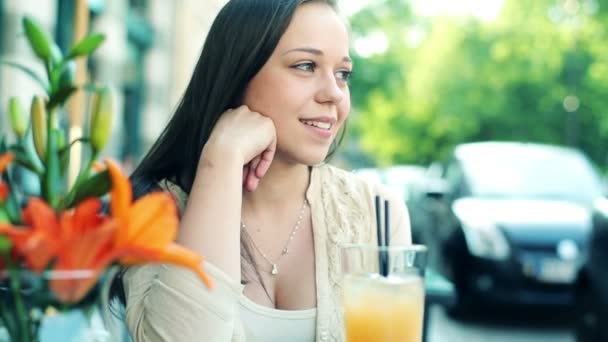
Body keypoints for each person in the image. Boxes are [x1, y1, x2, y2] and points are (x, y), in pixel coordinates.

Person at [116, 0, 412, 341]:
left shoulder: (375, 213)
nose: (334, 93)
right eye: (305, 65)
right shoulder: (152, 211)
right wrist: (220, 161)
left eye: (342, 73)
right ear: (237, 72)